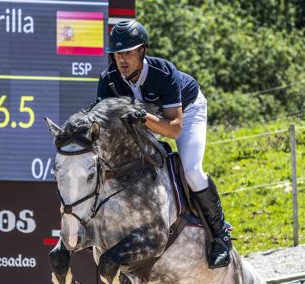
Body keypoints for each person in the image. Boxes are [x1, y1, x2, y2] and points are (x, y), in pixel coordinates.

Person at [97, 20, 231, 269]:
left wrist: (143, 117)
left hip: (186, 113)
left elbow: (173, 128)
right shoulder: (109, 81)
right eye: (117, 53)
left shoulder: (163, 72)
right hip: (142, 121)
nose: (122, 60)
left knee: (192, 170)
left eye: (128, 52)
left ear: (142, 51)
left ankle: (220, 237)